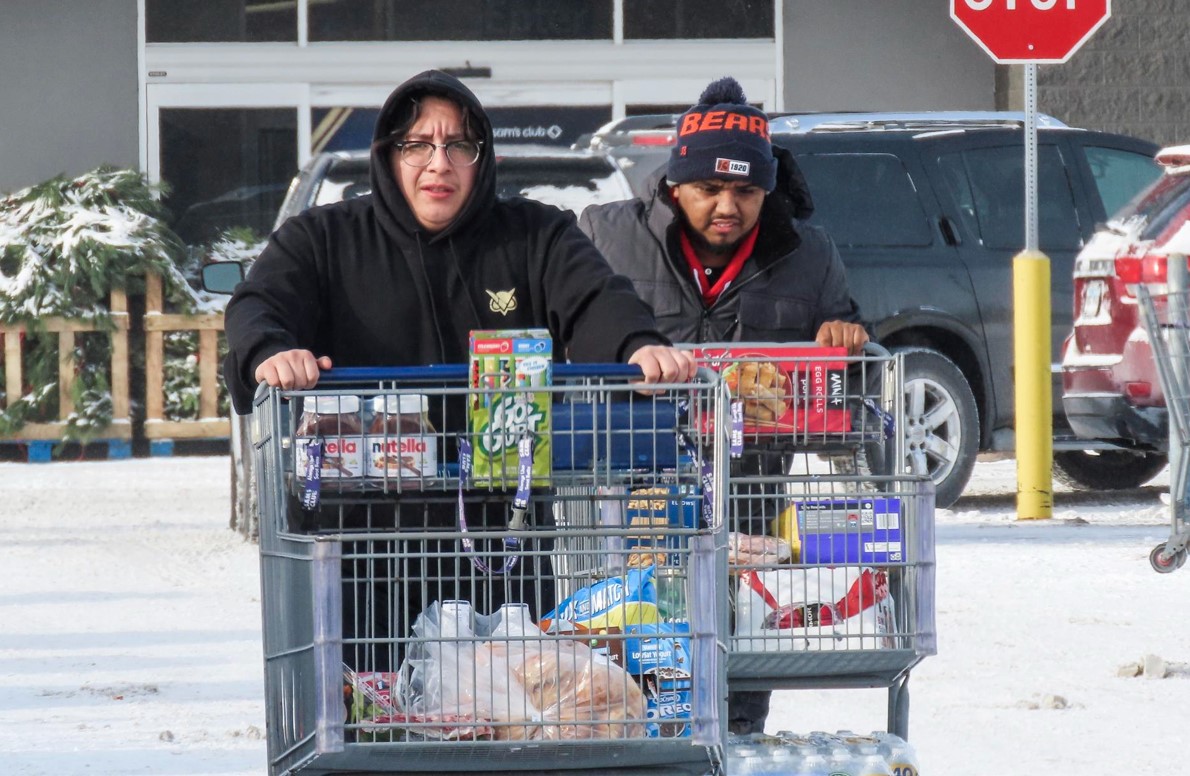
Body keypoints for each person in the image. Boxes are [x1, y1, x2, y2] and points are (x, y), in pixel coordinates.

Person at [222, 69, 696, 675]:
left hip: (501, 545)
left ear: (482, 157)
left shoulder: (534, 234)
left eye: (458, 146)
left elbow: (595, 297)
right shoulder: (322, 239)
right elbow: (259, 304)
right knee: (370, 725)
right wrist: (270, 351)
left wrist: (638, 345)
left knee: (512, 722)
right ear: (390, 155)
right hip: (360, 547)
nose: (438, 164)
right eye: (418, 145)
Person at [578, 76, 869, 735]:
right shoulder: (606, 235)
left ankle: (737, 738)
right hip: (633, 477)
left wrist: (846, 339)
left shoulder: (808, 254)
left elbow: (850, 368)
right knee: (641, 619)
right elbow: (563, 322)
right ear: (674, 184)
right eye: (709, 189)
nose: (727, 207)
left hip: (751, 482)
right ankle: (644, 740)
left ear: (767, 189)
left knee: (736, 633)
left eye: (745, 191)